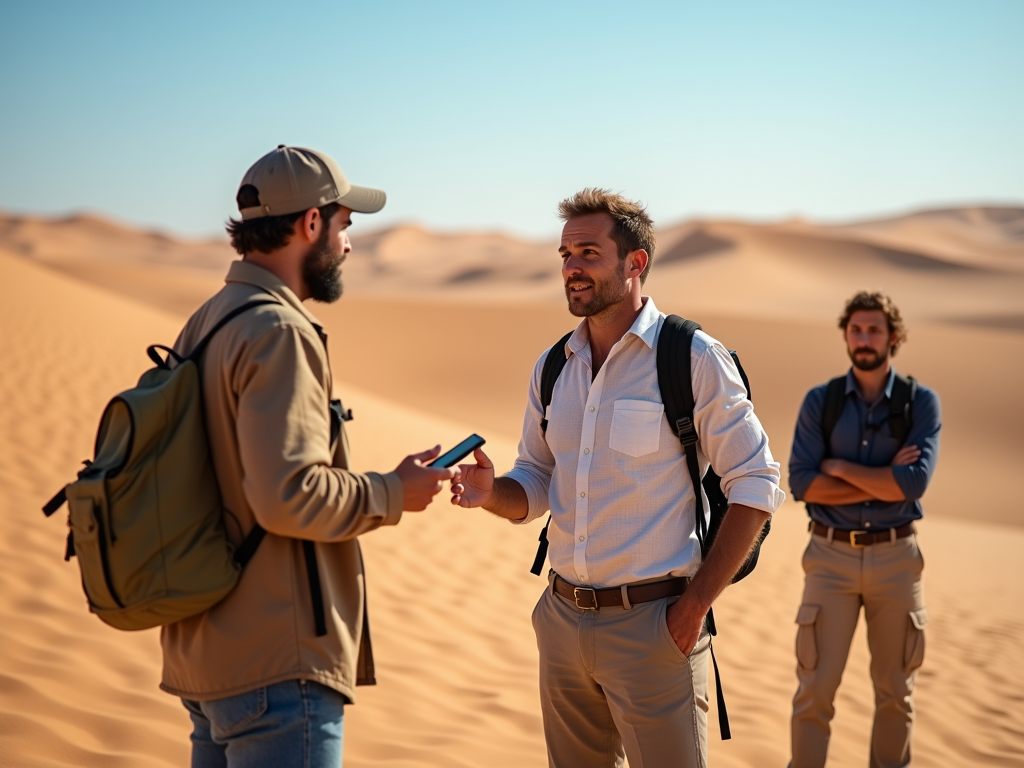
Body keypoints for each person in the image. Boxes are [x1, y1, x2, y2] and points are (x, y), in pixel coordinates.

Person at [450, 188, 785, 768]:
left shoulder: (692, 357)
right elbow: (534, 481)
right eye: (564, 255)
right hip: (561, 622)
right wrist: (491, 495)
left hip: (656, 628)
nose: (572, 267)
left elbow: (756, 485)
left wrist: (695, 606)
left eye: (588, 252)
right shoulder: (555, 365)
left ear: (636, 263)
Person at [162, 145, 456, 767]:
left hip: (208, 657)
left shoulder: (207, 322)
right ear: (311, 223)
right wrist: (391, 492)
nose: (348, 245)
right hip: (277, 667)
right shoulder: (278, 330)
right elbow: (287, 494)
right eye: (345, 225)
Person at [788, 292, 941, 768]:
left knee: (896, 694)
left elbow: (914, 482)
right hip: (829, 560)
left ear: (894, 337)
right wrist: (880, 482)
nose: (864, 339)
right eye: (856, 330)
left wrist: (837, 467)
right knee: (814, 692)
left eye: (874, 330)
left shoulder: (921, 403)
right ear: (845, 335)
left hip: (897, 561)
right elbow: (801, 483)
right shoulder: (822, 401)